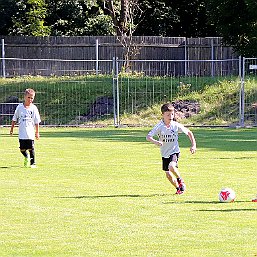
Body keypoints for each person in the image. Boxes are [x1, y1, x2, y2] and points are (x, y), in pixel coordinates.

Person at [146, 103, 196, 194]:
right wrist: (156, 142)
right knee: (168, 174)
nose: (171, 116)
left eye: (172, 114)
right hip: (164, 153)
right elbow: (148, 137)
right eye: (168, 115)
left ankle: (181, 181)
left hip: (174, 151)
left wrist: (193, 145)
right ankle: (178, 189)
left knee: (171, 166)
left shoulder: (175, 125)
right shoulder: (159, 126)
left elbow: (189, 133)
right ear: (163, 115)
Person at [10, 88, 41, 168]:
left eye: (32, 98)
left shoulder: (34, 108)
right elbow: (14, 118)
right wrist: (12, 129)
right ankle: (26, 157)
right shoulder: (19, 107)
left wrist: (37, 132)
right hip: (22, 133)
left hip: (30, 132)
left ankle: (33, 163)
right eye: (29, 97)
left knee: (31, 148)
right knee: (22, 149)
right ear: (24, 97)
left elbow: (37, 121)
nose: (30, 99)